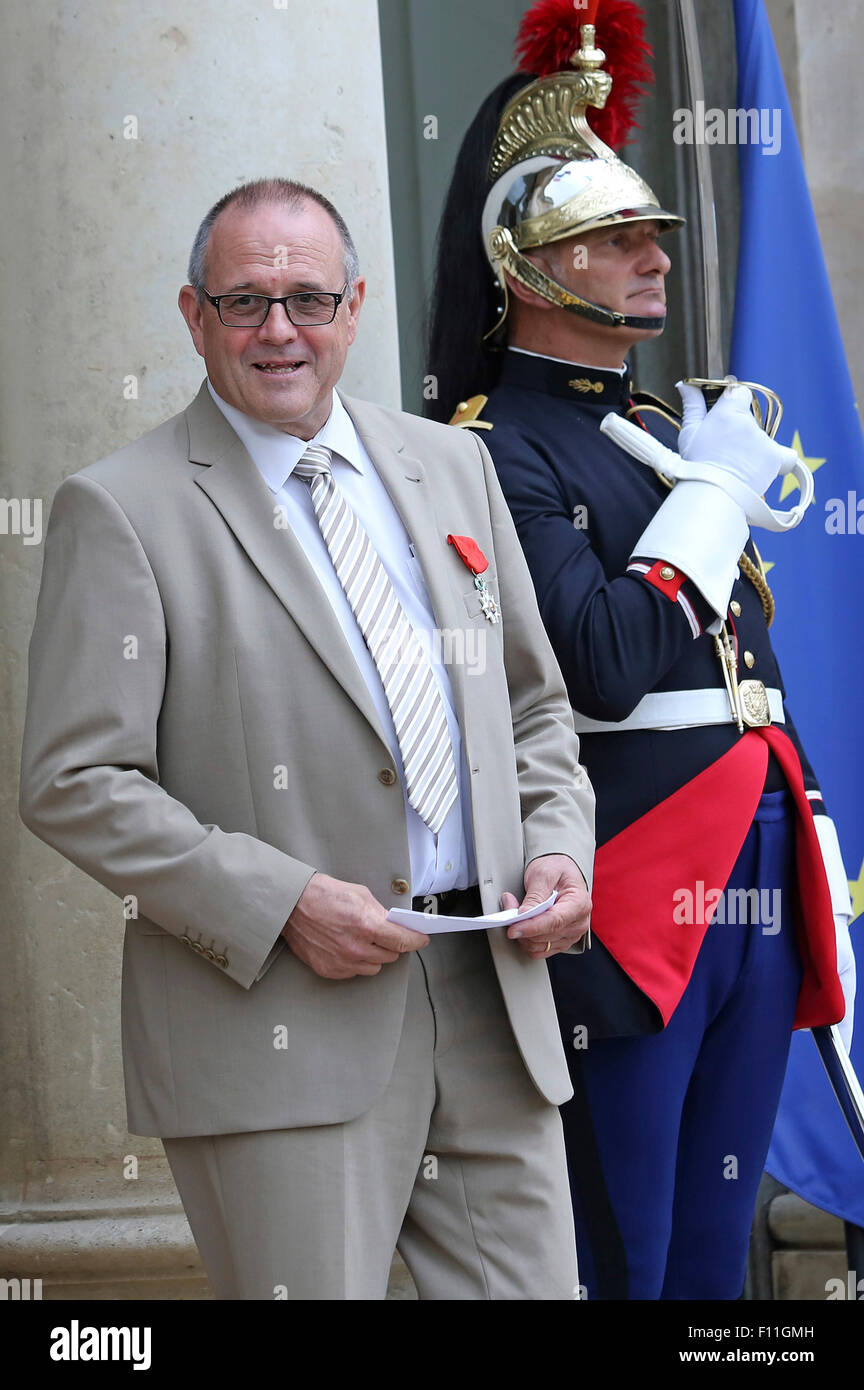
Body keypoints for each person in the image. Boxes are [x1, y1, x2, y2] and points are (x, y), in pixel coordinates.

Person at [19, 177, 595, 1301]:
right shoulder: (122, 507)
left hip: (493, 998)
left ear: (356, 305)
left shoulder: (452, 466)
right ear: (194, 317)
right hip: (281, 1026)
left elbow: (532, 708)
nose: (279, 330)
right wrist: (283, 903)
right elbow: (76, 779)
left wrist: (561, 844)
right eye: (244, 302)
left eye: (306, 299)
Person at [426, 0, 855, 1300]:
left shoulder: (665, 431)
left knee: (721, 1265)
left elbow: (745, 676)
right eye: (614, 238)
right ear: (531, 268)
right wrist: (713, 504)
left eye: (655, 233)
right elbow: (605, 662)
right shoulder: (497, 447)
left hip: (758, 865)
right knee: (631, 1251)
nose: (653, 257)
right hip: (626, 881)